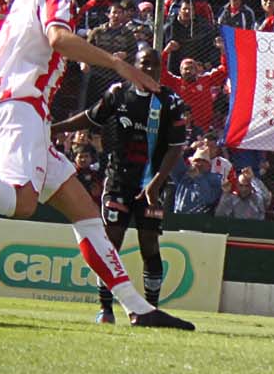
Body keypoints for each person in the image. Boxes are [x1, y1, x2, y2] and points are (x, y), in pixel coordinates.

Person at [0, 0, 195, 330]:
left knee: (86, 214)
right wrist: (119, 64)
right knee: (23, 202)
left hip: (15, 111)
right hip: (19, 107)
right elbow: (59, 39)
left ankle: (137, 308)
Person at [52, 47, 189, 324]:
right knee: (109, 243)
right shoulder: (118, 93)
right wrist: (54, 128)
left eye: (154, 65)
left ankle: (150, 310)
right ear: (133, 67)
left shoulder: (171, 101)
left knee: (149, 246)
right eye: (143, 64)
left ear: (161, 70)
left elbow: (176, 148)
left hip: (152, 184)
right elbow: (91, 117)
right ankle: (106, 309)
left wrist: (155, 184)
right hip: (118, 182)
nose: (148, 69)